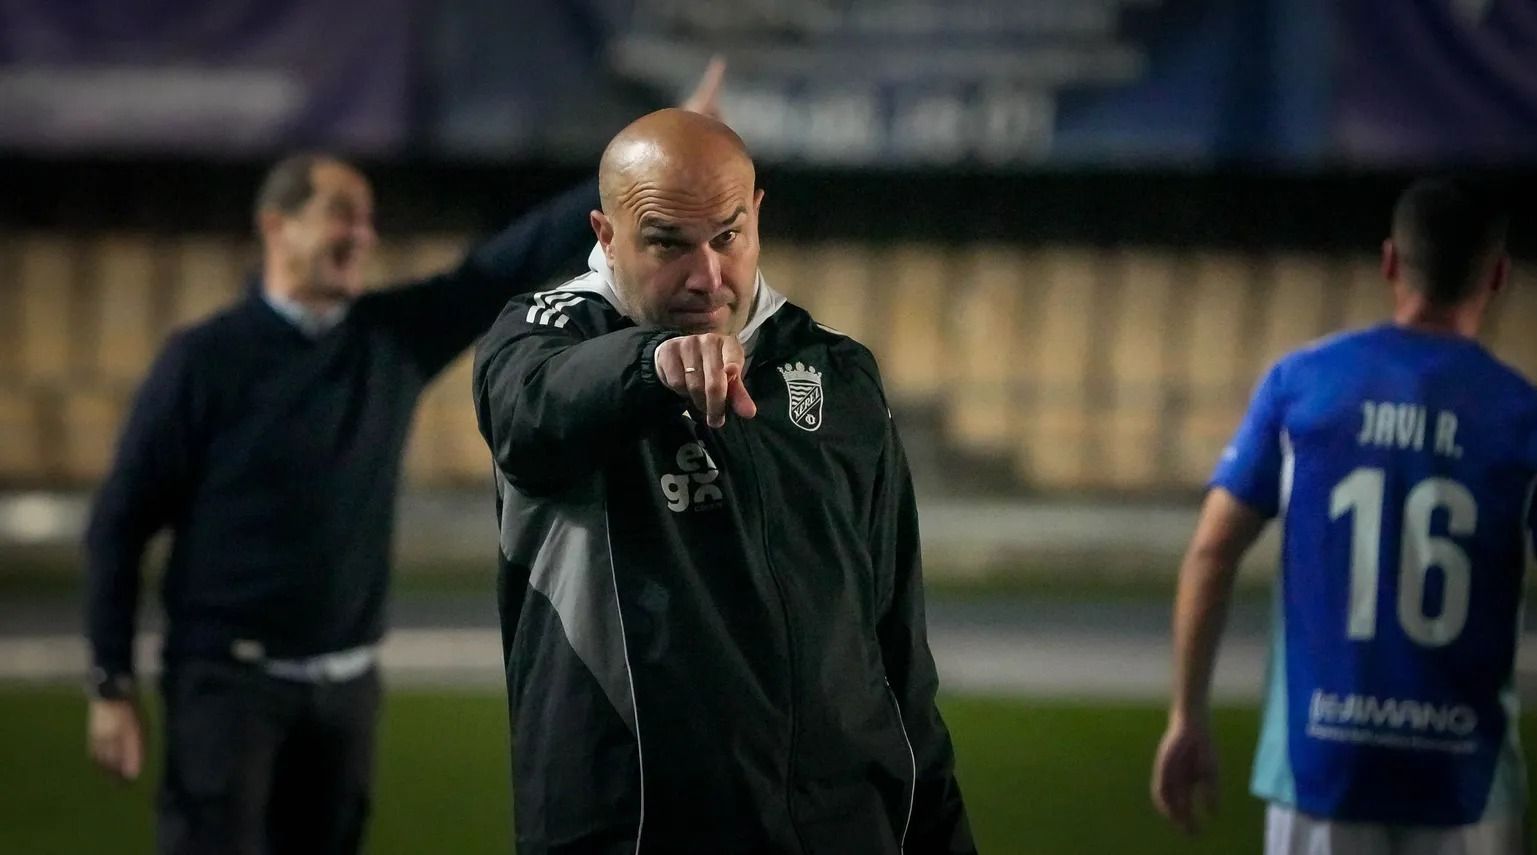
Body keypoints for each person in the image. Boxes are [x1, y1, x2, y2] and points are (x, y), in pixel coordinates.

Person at [82, 62, 727, 855]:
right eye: (342, 215)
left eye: (368, 218)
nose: (364, 233)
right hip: (226, 686)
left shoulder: (387, 341)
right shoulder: (204, 360)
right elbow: (119, 523)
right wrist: (111, 678)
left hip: (347, 689)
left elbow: (504, 262)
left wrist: (650, 160)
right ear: (278, 227)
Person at [472, 108, 976, 854]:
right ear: (606, 236)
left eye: (727, 236)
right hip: (639, 829)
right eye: (667, 243)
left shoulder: (837, 372)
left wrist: (940, 833)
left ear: (758, 216)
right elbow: (528, 412)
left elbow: (896, 645)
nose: (706, 276)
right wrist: (652, 364)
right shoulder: (548, 337)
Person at [1150, 176, 1537, 854]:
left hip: (1323, 770)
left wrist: (1187, 714)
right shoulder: (1535, 421)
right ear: (1499, 275)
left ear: (1390, 261)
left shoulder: (1300, 386)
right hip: (1466, 784)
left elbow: (1212, 552)